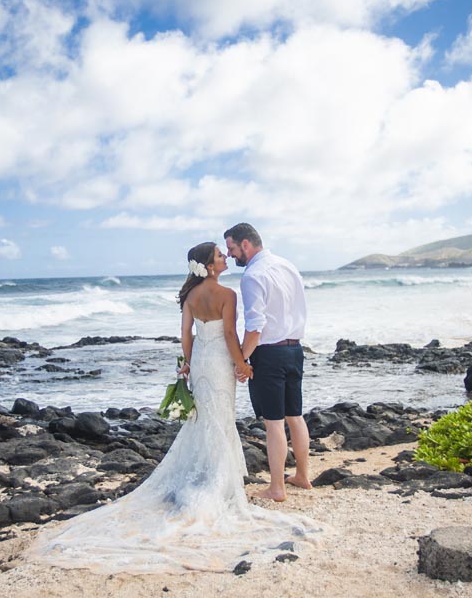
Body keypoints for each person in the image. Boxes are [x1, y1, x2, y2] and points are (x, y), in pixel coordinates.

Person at [29, 242, 319, 573]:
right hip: (222, 362)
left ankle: (211, 476)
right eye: (220, 256)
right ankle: (223, 483)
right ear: (210, 266)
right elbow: (228, 333)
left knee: (204, 420)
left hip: (201, 364)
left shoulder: (190, 297)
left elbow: (186, 335)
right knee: (221, 419)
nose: (226, 258)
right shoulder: (228, 295)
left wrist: (187, 364)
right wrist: (242, 362)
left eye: (226, 253)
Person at [224, 223, 312, 502]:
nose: (230, 255)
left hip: (270, 354)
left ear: (246, 244)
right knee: (295, 416)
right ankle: (302, 476)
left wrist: (242, 359)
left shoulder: (253, 275)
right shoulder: (287, 266)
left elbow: (255, 326)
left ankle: (277, 488)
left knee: (273, 423)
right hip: (295, 350)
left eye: (232, 248)